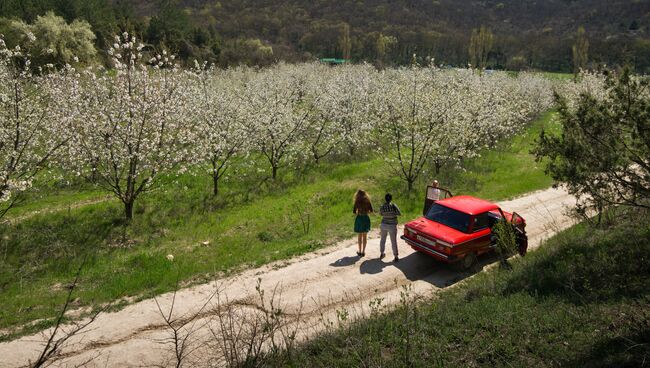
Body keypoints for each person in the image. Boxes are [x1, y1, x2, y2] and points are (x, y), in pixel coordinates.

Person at [379, 193, 402, 262]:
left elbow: (381, 214)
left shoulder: (382, 206)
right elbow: (399, 213)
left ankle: (382, 253)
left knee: (383, 239)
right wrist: (393, 213)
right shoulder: (393, 205)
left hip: (383, 224)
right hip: (392, 225)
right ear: (391, 199)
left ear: (385, 199)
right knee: (393, 241)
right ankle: (396, 256)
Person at [353, 190, 373, 256]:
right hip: (366, 218)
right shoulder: (367, 201)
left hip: (359, 218)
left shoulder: (357, 201)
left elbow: (354, 212)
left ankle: (359, 251)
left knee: (359, 236)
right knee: (365, 236)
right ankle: (363, 251)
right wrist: (366, 212)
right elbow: (371, 211)